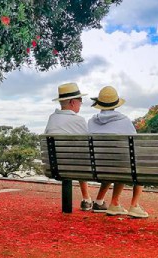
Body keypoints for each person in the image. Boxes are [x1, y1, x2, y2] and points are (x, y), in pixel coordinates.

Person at [87, 86, 148, 218]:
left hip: (98, 168)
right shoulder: (124, 121)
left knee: (116, 161)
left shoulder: (91, 122)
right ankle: (134, 205)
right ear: (116, 104)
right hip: (120, 167)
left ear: (99, 104)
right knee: (132, 162)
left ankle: (114, 203)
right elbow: (135, 145)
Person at [45, 82, 93, 211]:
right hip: (75, 167)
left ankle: (87, 198)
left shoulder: (52, 118)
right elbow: (87, 146)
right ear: (73, 102)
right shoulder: (79, 120)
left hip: (54, 167)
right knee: (81, 155)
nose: (81, 104)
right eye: (80, 101)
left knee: (76, 155)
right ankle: (86, 198)